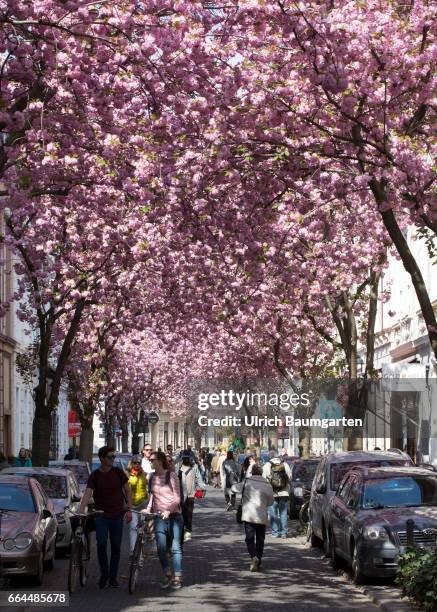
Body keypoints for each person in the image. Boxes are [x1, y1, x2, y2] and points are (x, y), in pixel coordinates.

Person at [79, 446, 132, 589]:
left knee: (116, 547)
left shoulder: (118, 472)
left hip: (117, 515)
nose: (113, 459)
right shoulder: (95, 475)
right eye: (110, 457)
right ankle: (104, 574)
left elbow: (127, 490)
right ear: (102, 458)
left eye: (113, 457)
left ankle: (113, 577)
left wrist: (129, 509)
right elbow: (88, 493)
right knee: (101, 544)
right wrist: (81, 509)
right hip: (101, 515)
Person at [144, 451, 184, 589]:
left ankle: (177, 576)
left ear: (160, 461)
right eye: (149, 459)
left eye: (152, 459)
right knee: (161, 547)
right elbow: (152, 496)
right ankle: (167, 573)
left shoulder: (171, 475)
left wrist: (169, 510)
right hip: (159, 517)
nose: (150, 461)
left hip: (174, 516)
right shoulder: (152, 477)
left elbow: (177, 498)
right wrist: (148, 509)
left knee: (175, 548)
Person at [232, 464, 274, 571]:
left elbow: (234, 488)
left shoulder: (247, 482)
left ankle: (253, 556)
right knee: (260, 539)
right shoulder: (267, 484)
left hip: (249, 515)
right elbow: (271, 501)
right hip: (261, 516)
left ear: (252, 472)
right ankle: (258, 561)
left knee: (249, 538)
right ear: (261, 473)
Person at [178, 450, 205, 541]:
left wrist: (203, 488)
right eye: (185, 458)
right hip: (179, 495)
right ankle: (181, 531)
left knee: (189, 514)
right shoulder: (178, 467)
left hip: (190, 495)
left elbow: (198, 478)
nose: (187, 460)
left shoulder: (194, 467)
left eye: (188, 458)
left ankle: (188, 530)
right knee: (180, 514)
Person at [262, 455, 291, 538]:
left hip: (272, 493)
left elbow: (264, 480)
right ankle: (284, 533)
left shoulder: (267, 465)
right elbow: (289, 477)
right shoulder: (285, 464)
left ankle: (275, 533)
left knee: (273, 513)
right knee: (283, 513)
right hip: (284, 492)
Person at [127, 455, 148, 556]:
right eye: (135, 462)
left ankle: (142, 548)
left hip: (143, 504)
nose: (137, 464)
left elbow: (146, 487)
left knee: (143, 527)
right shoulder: (127, 475)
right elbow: (125, 491)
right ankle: (132, 550)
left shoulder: (143, 473)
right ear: (131, 463)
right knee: (133, 527)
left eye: (139, 463)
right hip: (132, 505)